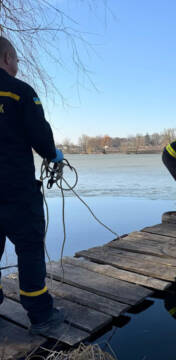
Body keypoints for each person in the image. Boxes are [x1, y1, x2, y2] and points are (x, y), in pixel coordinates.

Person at [0, 36, 65, 335]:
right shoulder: (19, 92)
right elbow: (40, 135)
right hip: (15, 190)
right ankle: (41, 314)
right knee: (28, 247)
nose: (17, 65)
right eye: (15, 59)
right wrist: (54, 156)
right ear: (5, 58)